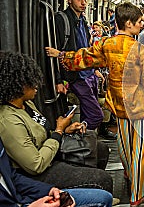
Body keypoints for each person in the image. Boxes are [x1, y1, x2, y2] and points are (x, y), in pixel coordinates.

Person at [46, 2, 144, 207]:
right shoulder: (140, 50)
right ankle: (139, 193)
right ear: (128, 24)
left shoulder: (107, 45)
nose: (140, 25)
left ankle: (132, 180)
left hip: (119, 108)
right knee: (142, 152)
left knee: (126, 149)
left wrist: (61, 55)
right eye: (138, 22)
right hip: (141, 109)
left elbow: (84, 57)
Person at [0, 51, 113, 193]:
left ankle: (89, 190)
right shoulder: (8, 120)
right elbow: (36, 164)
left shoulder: (27, 105)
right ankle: (93, 193)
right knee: (102, 179)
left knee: (100, 148)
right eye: (30, 81)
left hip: (50, 153)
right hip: (35, 173)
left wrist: (64, 130)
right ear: (17, 84)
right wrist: (58, 132)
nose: (36, 85)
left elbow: (42, 135)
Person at [0, 137, 113, 207]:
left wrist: (49, 190)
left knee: (103, 197)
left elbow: (11, 176)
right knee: (99, 185)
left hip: (20, 198)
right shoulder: (8, 120)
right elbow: (36, 164)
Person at [54, 0, 103, 131]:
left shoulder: (83, 20)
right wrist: (57, 80)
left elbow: (86, 48)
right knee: (96, 115)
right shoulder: (61, 20)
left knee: (88, 114)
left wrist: (95, 69)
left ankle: (83, 143)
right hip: (76, 76)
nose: (83, 3)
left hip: (89, 73)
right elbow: (54, 52)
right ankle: (75, 132)